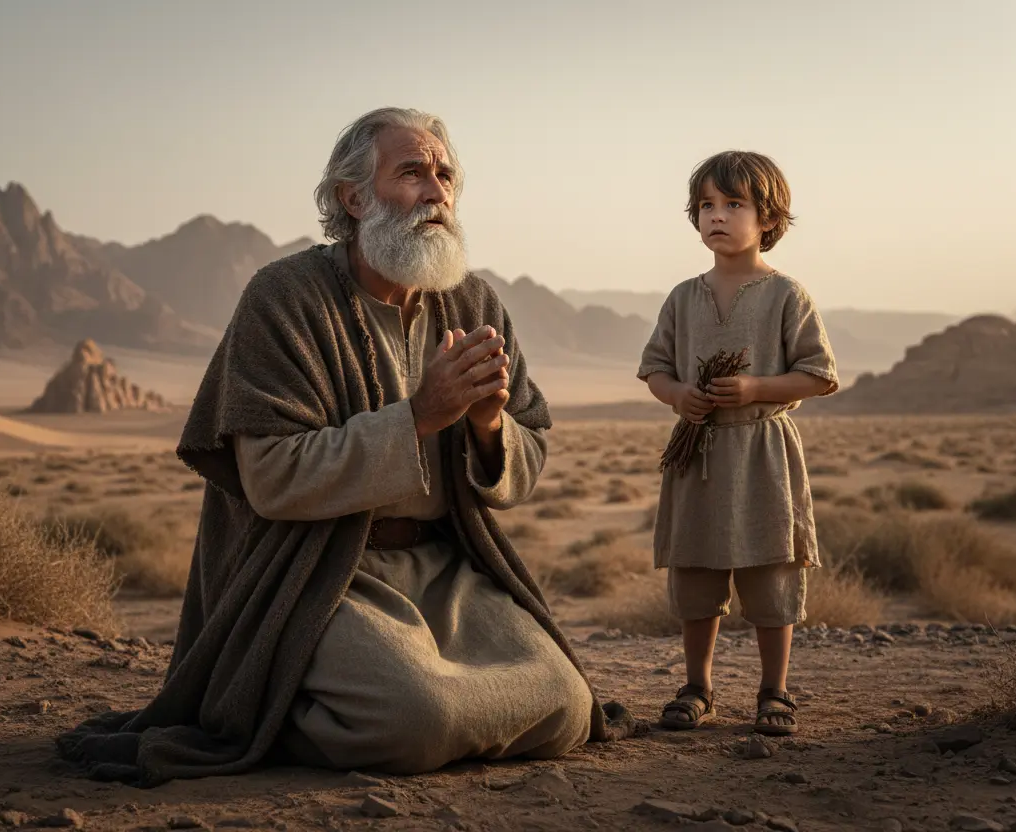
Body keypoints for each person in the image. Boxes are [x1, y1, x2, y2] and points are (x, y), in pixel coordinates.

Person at [56, 107, 634, 786]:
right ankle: (269, 707)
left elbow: (527, 453)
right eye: (412, 172)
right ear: (352, 198)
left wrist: (485, 426)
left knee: (565, 706)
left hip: (444, 567)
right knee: (416, 719)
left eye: (445, 174)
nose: (436, 191)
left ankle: (334, 701)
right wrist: (419, 415)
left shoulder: (475, 303)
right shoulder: (284, 298)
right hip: (321, 570)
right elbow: (271, 476)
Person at [636, 150, 838, 736]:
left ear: (768, 219)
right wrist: (678, 397)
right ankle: (696, 687)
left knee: (771, 570)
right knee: (696, 571)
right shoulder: (682, 296)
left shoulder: (786, 295)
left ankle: (774, 692)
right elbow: (654, 368)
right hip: (696, 453)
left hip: (762, 454)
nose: (716, 216)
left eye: (733, 204)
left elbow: (820, 375)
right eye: (706, 205)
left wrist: (755, 387)